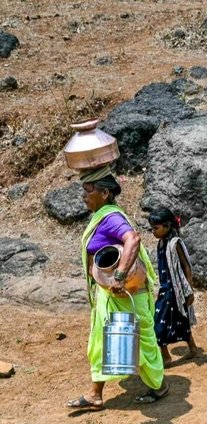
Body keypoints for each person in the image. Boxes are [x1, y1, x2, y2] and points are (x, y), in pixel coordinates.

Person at [67, 167, 168, 410]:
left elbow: (132, 239)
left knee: (142, 342)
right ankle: (95, 394)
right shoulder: (102, 215)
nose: (83, 195)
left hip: (128, 293)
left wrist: (120, 275)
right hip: (109, 293)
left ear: (104, 194)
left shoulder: (112, 218)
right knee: (101, 339)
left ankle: (159, 386)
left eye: (88, 190)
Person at [148, 208, 198, 368]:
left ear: (167, 226)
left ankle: (166, 358)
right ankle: (193, 349)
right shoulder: (162, 243)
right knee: (180, 321)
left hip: (175, 291)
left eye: (156, 228)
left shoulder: (175, 243)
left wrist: (189, 290)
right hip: (166, 290)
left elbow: (186, 266)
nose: (153, 231)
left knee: (157, 324)